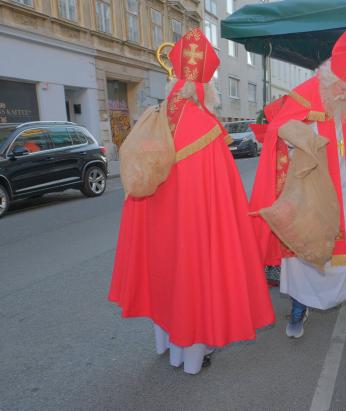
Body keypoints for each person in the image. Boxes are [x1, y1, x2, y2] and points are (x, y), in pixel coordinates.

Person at [108, 29, 275, 374]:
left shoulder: (153, 117)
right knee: (192, 281)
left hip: (157, 227)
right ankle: (191, 360)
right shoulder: (207, 125)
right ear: (207, 88)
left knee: (163, 278)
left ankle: (167, 347)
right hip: (194, 229)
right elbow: (223, 194)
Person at [250, 22, 346, 339]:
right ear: (328, 79)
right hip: (313, 192)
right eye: (341, 90)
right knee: (305, 249)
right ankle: (298, 306)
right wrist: (295, 138)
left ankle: (331, 296)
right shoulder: (305, 97)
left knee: (341, 251)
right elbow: (279, 131)